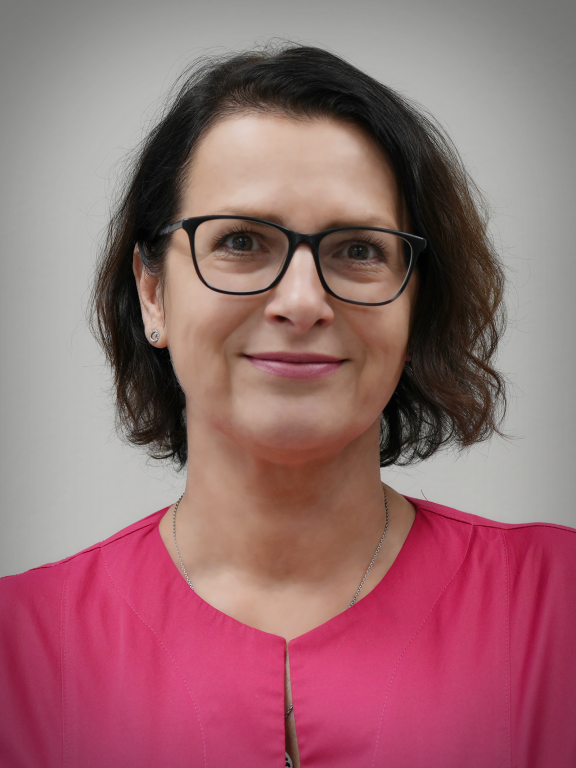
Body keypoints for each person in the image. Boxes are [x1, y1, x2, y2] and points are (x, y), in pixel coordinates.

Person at [1, 43, 575, 768]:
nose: (302, 303)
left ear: (415, 303)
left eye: (359, 250)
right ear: (153, 293)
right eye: (241, 241)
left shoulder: (558, 610)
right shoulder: (17, 650)